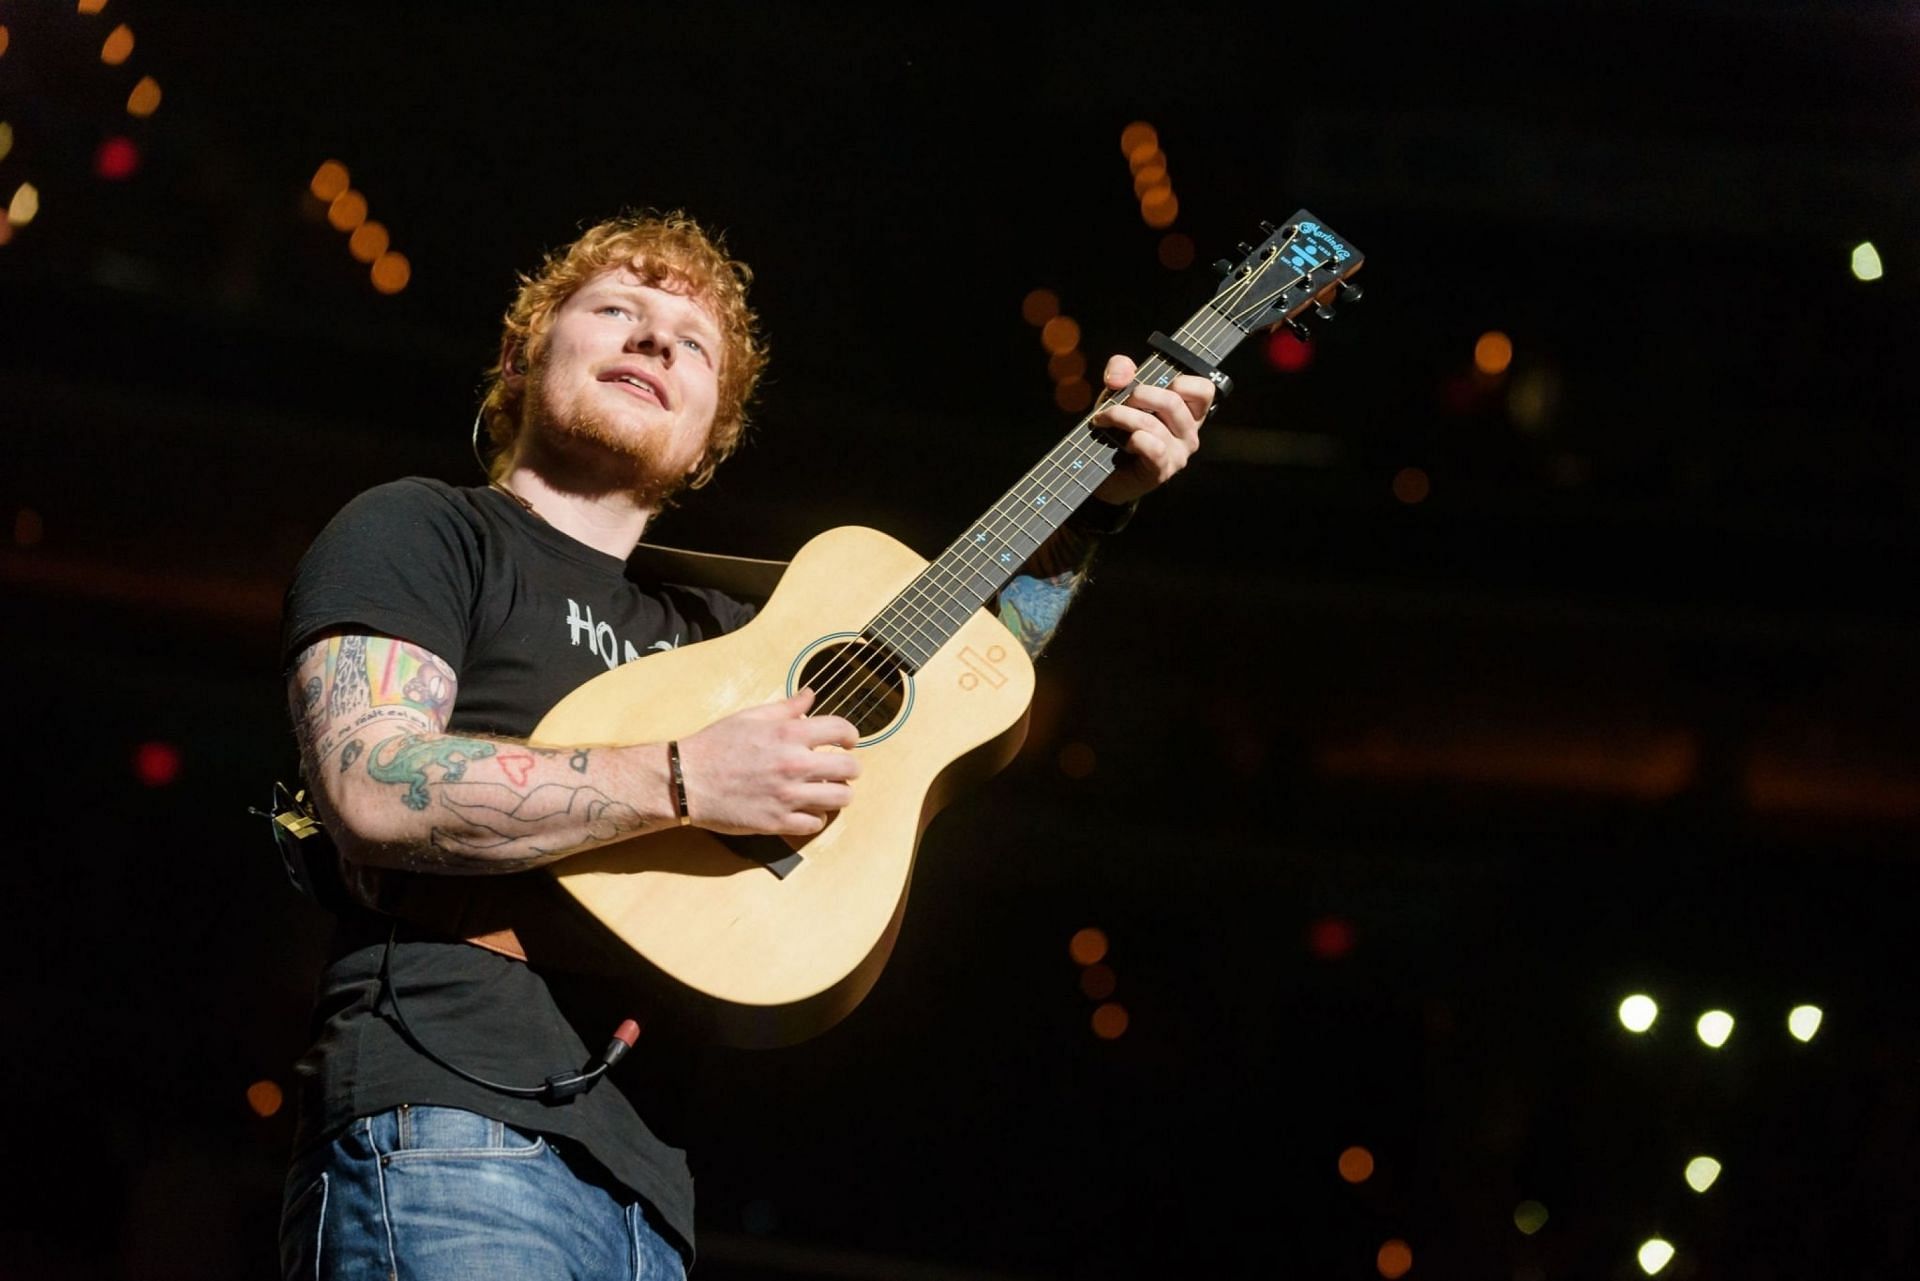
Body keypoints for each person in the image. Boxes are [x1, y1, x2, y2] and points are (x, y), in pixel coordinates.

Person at [276, 209, 1214, 1280]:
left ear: (714, 430)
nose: (654, 340)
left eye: (692, 342)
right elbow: (372, 785)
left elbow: (973, 679)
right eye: (616, 311)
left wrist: (1090, 508)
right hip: (447, 1120)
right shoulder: (427, 531)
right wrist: (685, 777)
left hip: (650, 1187)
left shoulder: (725, 635)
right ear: (520, 358)